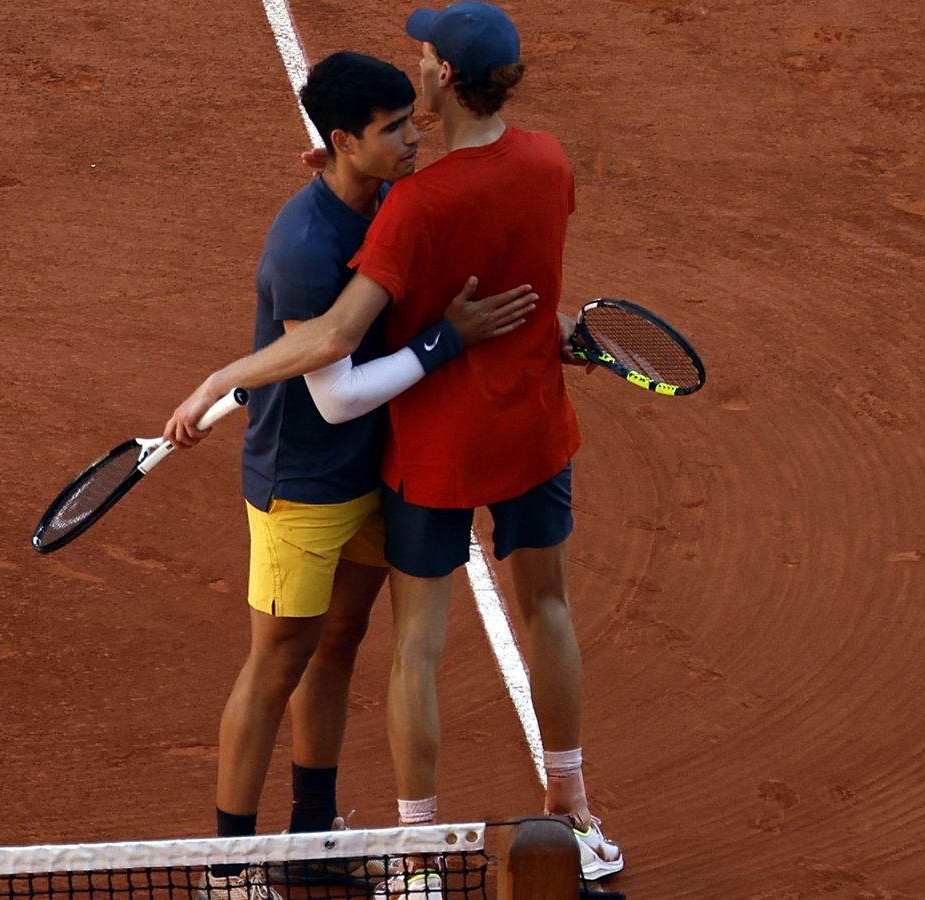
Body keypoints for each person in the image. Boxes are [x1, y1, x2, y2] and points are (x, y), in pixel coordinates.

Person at [167, 5, 626, 898]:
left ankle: (410, 853)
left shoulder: (408, 205)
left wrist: (224, 374)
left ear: (443, 79)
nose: (414, 88)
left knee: (405, 648)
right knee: (549, 612)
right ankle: (575, 815)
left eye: (422, 63)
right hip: (529, 429)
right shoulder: (549, 161)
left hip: (434, 452)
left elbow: (339, 335)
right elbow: (519, 274)